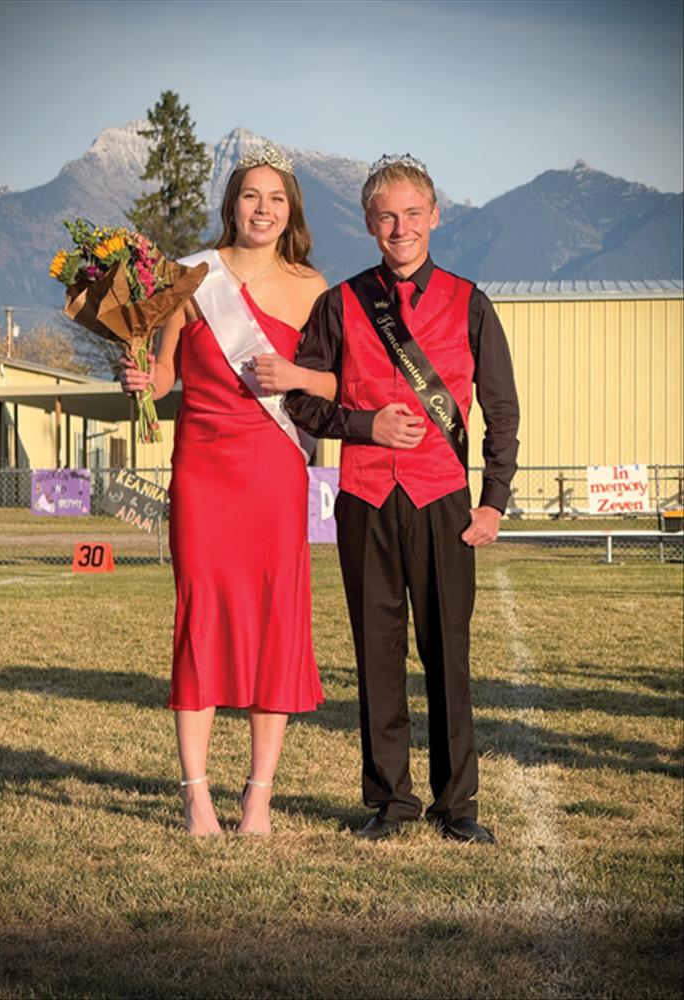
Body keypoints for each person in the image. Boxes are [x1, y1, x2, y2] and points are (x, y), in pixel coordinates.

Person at [285, 154, 520, 843]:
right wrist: (364, 425)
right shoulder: (341, 302)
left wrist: (494, 500)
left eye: (413, 213)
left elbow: (501, 409)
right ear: (368, 223)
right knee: (376, 654)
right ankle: (389, 802)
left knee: (448, 653)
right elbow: (302, 399)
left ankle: (458, 806)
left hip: (444, 499)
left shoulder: (470, 300)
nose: (401, 227)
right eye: (387, 215)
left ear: (434, 216)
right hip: (362, 498)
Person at [121, 144, 334, 836]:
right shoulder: (191, 277)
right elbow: (162, 377)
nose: (263, 209)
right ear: (231, 205)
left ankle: (259, 801)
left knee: (274, 624)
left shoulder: (313, 288)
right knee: (201, 621)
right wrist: (139, 380)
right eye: (251, 196)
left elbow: (339, 385)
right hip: (203, 471)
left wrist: (297, 379)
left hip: (274, 472)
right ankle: (197, 798)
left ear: (290, 210)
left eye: (276, 198)